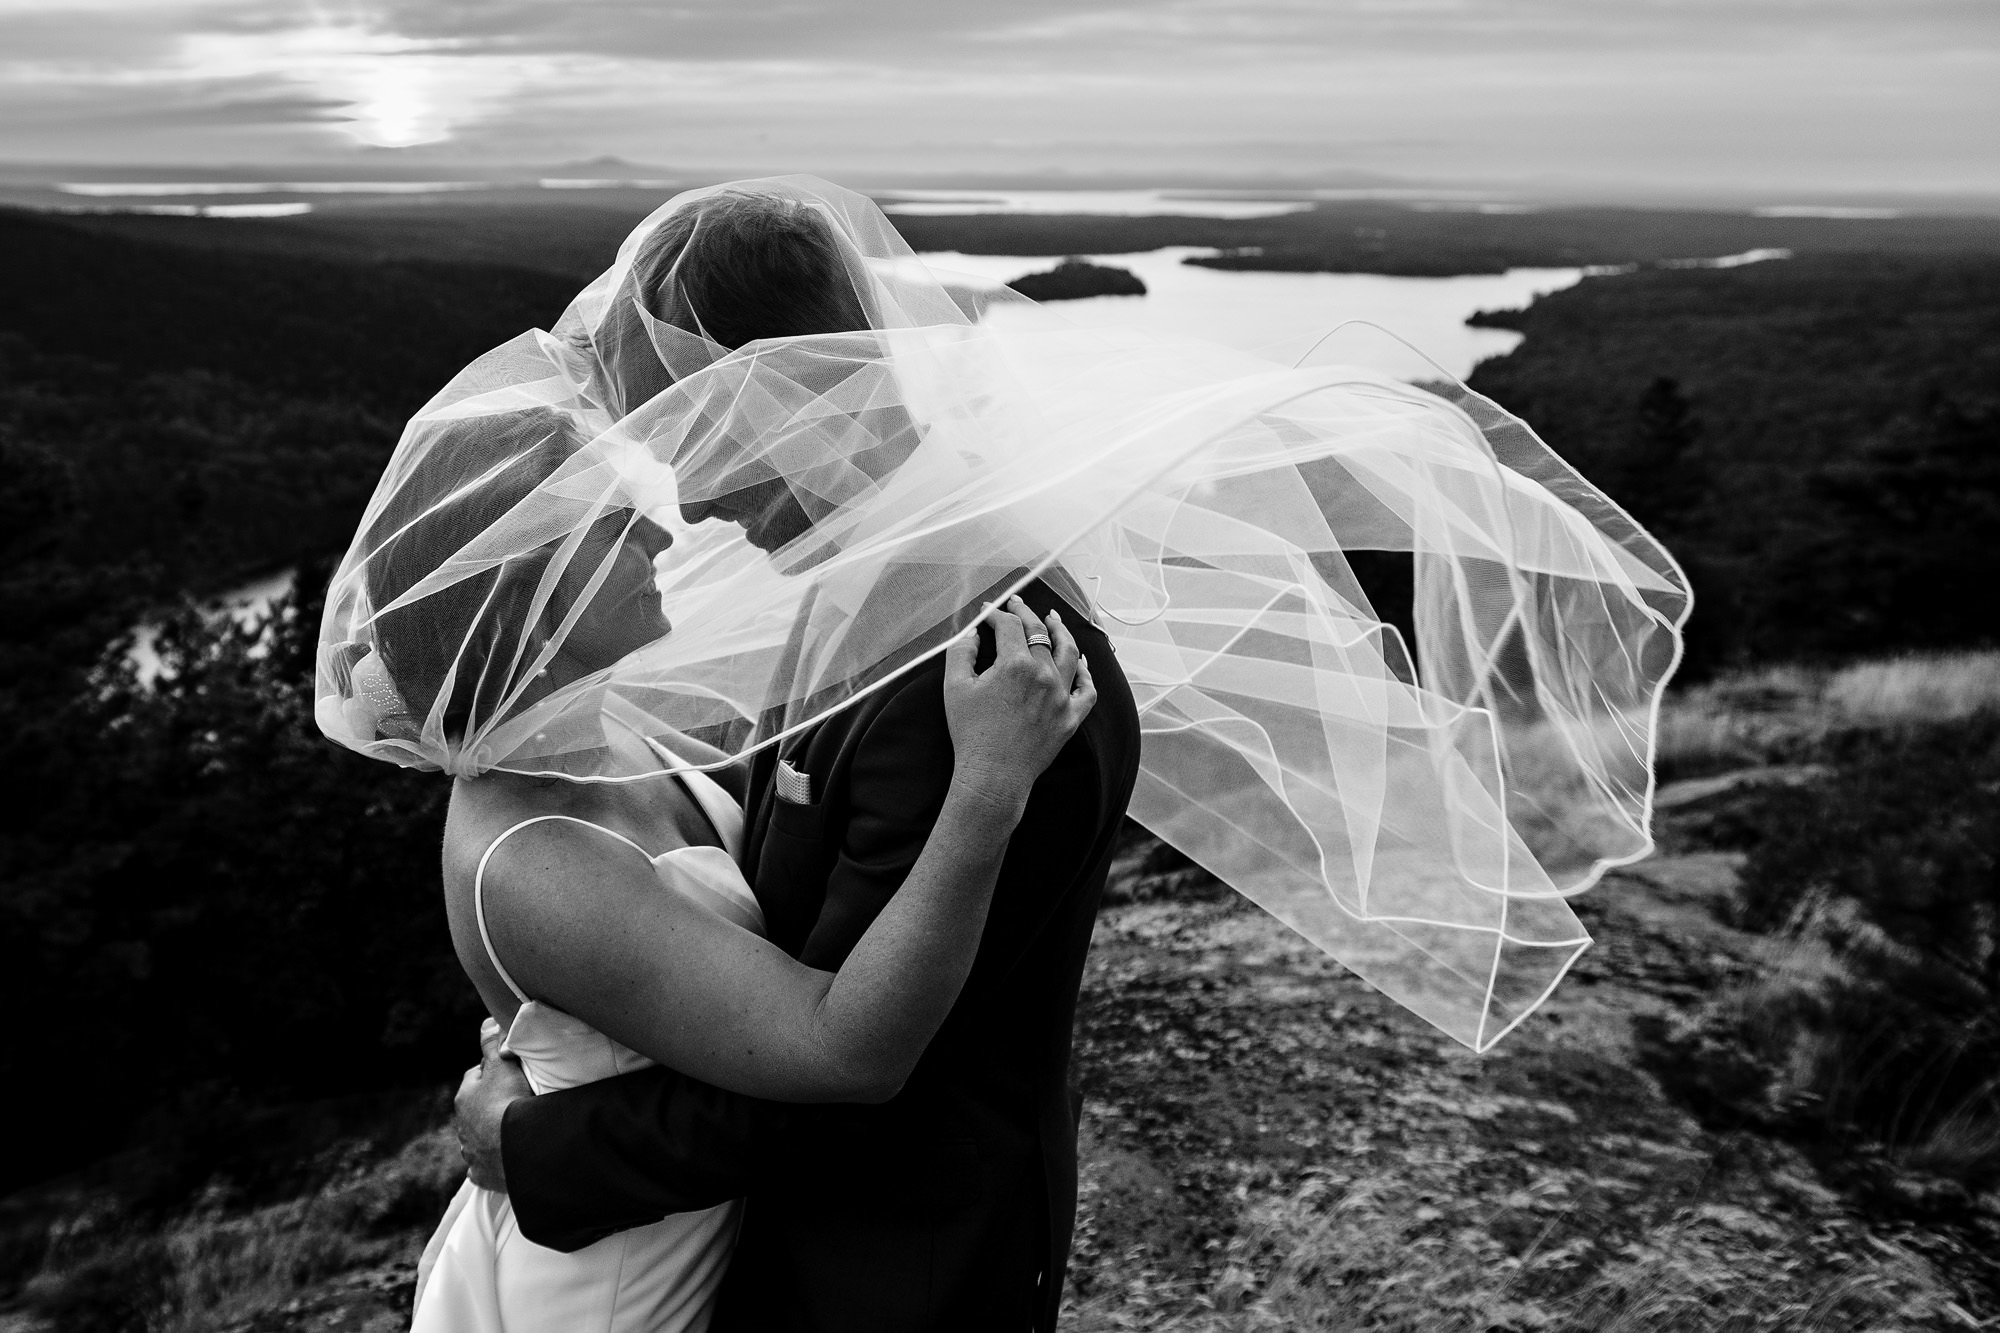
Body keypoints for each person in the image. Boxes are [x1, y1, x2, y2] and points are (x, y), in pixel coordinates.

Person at [332, 177, 1687, 1331]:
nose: (680, 495)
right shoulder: (848, 590)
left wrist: (541, 1144)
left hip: (894, 1255)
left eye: (690, 434)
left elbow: (871, 1058)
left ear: (782, 394)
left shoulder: (976, 660)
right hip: (780, 1241)